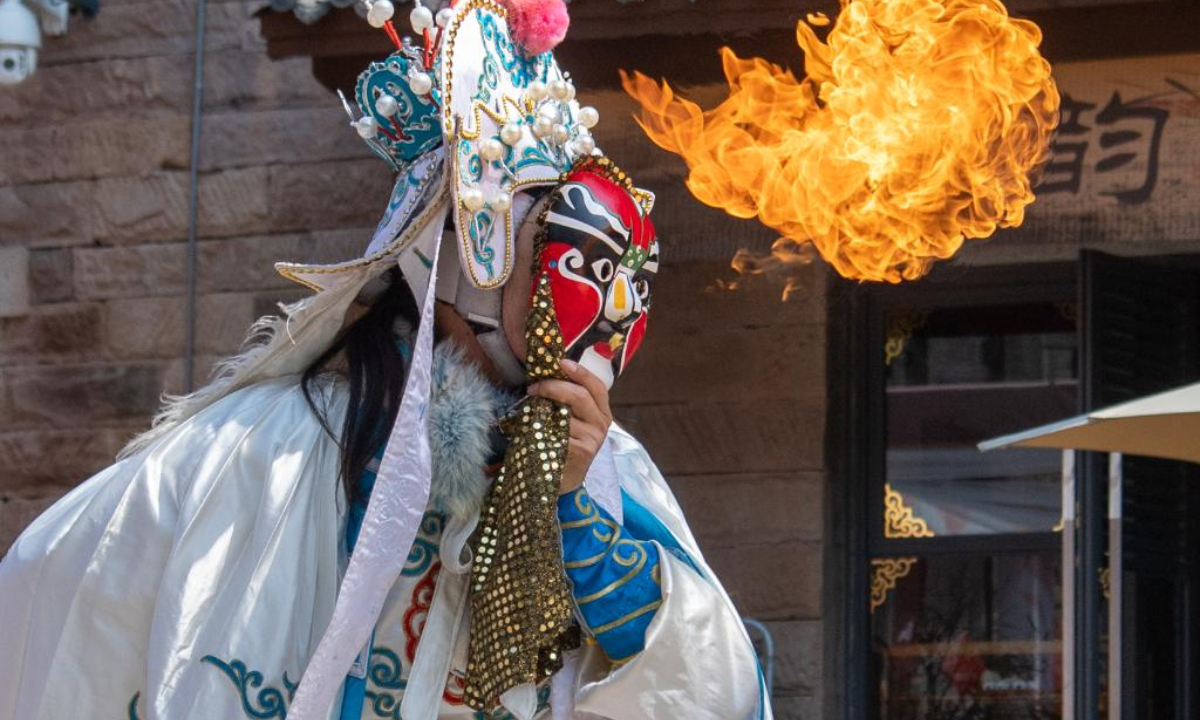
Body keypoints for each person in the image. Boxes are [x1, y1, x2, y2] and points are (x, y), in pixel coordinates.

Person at [0, 2, 772, 720]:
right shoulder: (248, 460)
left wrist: (580, 518)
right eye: (549, 265)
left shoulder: (612, 474)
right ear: (461, 264)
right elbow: (58, 607)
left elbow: (711, 690)